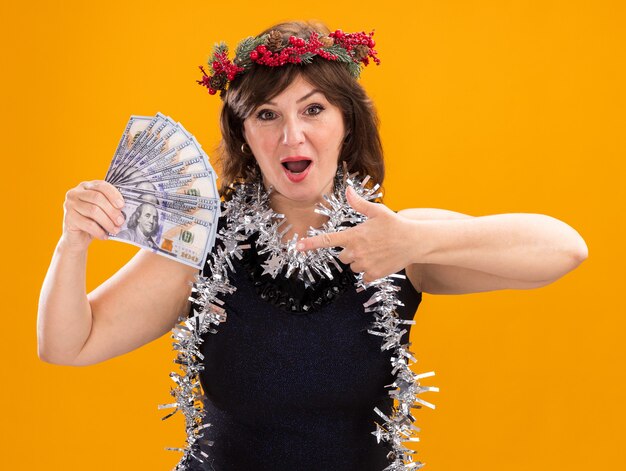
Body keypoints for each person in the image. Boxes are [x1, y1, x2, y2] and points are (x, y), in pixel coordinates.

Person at [37, 20, 588, 471]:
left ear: (348, 123)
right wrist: (73, 243)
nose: (291, 136)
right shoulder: (202, 243)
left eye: (314, 109)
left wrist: (416, 239)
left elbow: (564, 250)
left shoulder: (398, 237)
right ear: (245, 136)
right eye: (267, 115)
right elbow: (68, 345)